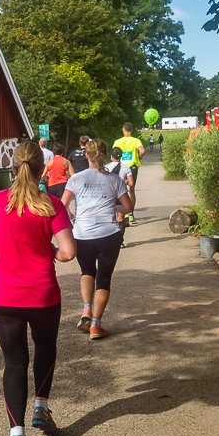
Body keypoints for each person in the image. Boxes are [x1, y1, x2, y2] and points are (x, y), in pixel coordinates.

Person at [0, 141, 76, 436]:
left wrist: (3, 243)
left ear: (13, 169)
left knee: (14, 362)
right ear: (42, 170)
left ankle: (16, 435)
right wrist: (49, 250)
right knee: (45, 348)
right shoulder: (52, 205)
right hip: (43, 294)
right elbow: (68, 253)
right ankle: (41, 408)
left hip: (4, 297)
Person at [61, 139, 133, 340]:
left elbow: (62, 205)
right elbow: (128, 208)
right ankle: (96, 325)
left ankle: (86, 309)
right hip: (109, 234)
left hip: (82, 234)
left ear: (86, 155)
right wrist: (114, 208)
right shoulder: (115, 180)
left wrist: (74, 219)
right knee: (104, 278)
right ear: (105, 154)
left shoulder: (76, 179)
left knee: (86, 271)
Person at [112, 122, 144, 222]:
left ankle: (119, 213)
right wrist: (140, 157)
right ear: (132, 130)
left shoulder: (117, 142)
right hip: (132, 167)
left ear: (123, 129)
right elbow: (142, 151)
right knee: (131, 190)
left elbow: (113, 155)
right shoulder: (136, 140)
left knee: (119, 191)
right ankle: (130, 214)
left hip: (120, 167)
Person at [106, 146, 135, 246]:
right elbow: (131, 183)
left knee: (111, 218)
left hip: (109, 195)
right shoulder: (126, 168)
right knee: (121, 218)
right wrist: (124, 181)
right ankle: (120, 240)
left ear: (111, 156)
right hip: (121, 195)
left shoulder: (106, 167)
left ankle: (110, 240)